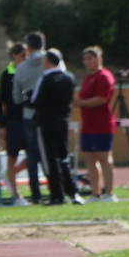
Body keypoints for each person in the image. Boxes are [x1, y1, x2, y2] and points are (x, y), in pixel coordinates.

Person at [32, 48, 81, 205]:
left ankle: (57, 195)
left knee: (50, 159)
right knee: (64, 157)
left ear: (47, 62)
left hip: (46, 122)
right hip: (63, 120)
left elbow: (36, 101)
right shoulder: (69, 78)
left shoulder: (45, 78)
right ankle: (73, 192)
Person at [0, 42, 39, 205]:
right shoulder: (6, 74)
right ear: (14, 56)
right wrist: (2, 124)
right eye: (22, 55)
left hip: (30, 119)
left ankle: (11, 174)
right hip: (13, 121)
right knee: (12, 155)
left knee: (34, 155)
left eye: (27, 55)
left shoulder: (30, 72)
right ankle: (16, 195)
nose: (25, 58)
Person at [75, 46, 118, 202]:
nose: (86, 62)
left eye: (90, 58)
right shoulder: (87, 78)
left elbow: (102, 98)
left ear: (98, 59)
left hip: (102, 124)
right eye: (85, 59)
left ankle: (110, 192)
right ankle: (95, 192)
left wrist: (81, 103)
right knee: (89, 157)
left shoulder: (104, 76)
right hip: (88, 125)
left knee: (104, 157)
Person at [12, 32, 48, 189]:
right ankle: (56, 187)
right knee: (51, 151)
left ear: (28, 47)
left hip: (30, 114)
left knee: (32, 154)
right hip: (50, 113)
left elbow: (16, 98)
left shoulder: (21, 67)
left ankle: (35, 190)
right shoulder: (52, 61)